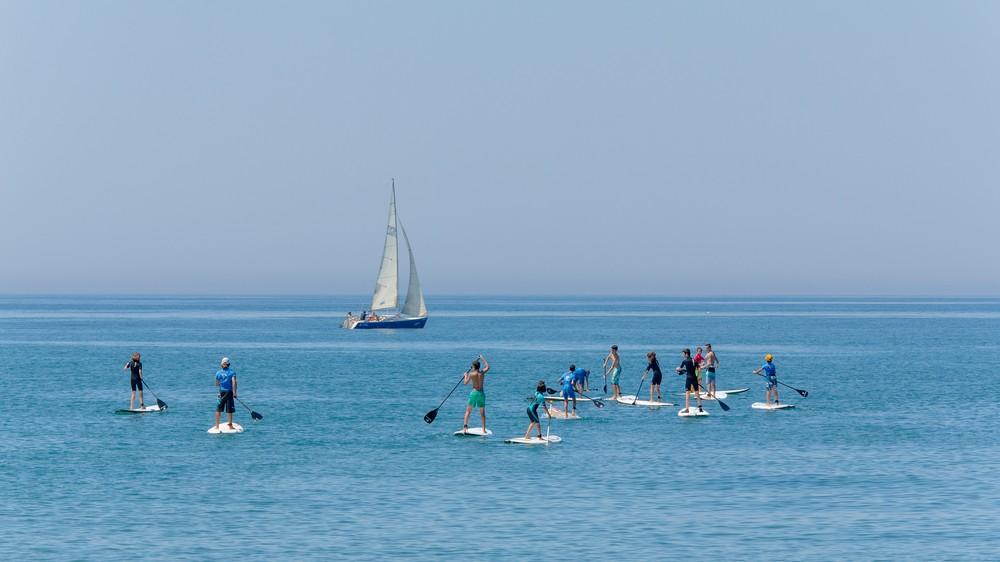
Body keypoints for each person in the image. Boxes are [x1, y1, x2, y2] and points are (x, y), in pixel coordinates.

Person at [461, 354, 490, 433]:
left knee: (468, 411)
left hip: (474, 393)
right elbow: (488, 366)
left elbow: (465, 383)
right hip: (481, 394)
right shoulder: (482, 373)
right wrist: (482, 358)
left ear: (474, 367)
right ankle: (483, 430)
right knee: (482, 413)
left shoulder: (471, 374)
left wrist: (465, 375)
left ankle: (465, 428)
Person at [214, 357, 237, 431]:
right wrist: (234, 393)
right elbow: (234, 383)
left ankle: (217, 427)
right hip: (229, 392)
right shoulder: (232, 372)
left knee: (218, 409)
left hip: (221, 392)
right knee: (229, 409)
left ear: (222, 364)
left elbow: (217, 384)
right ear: (228, 364)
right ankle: (230, 426)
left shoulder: (218, 373)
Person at [676, 348, 702, 413]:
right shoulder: (694, 360)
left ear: (686, 354)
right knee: (697, 393)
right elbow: (698, 368)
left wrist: (677, 369)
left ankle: (687, 409)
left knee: (687, 393)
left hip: (689, 379)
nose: (683, 355)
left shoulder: (685, 361)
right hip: (695, 378)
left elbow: (680, 369)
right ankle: (700, 408)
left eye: (683, 354)